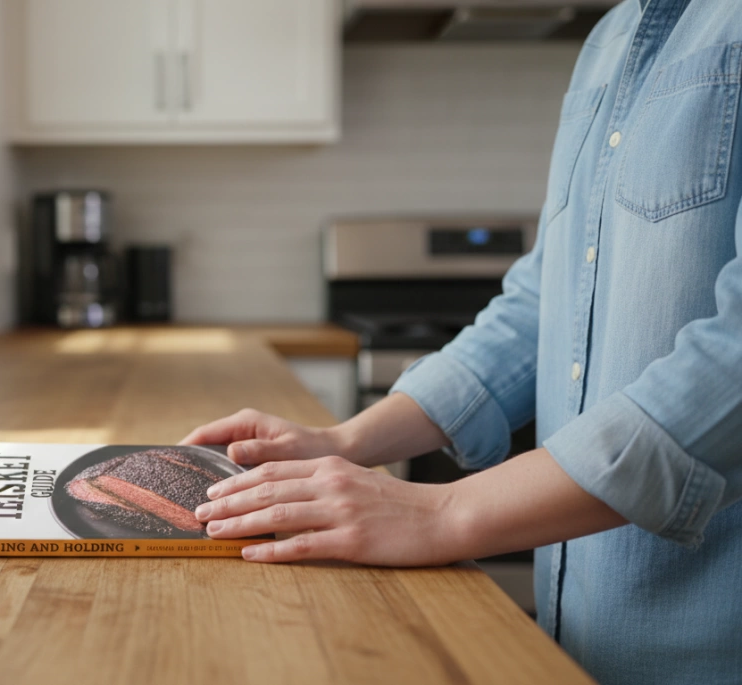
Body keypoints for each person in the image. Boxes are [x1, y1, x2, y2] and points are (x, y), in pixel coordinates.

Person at [180, 1, 742, 683]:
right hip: (580, 642)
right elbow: (547, 300)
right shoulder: (610, 40)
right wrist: (345, 442)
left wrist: (443, 511)